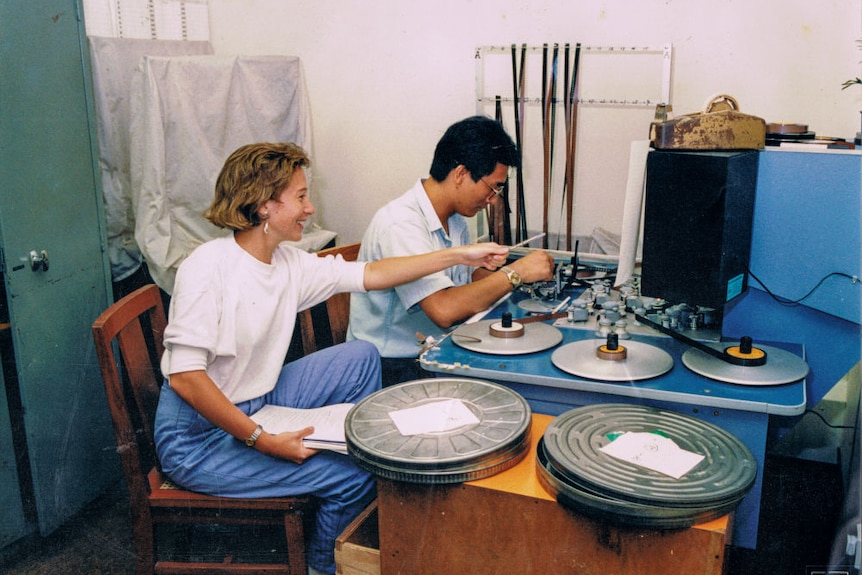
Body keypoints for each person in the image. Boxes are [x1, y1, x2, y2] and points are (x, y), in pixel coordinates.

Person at [153, 142, 509, 575]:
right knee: (354, 474)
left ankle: (344, 459)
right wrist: (263, 440)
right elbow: (187, 378)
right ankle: (325, 566)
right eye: (301, 196)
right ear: (265, 205)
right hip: (198, 439)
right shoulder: (207, 267)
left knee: (360, 356)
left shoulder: (285, 261)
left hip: (254, 398)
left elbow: (371, 273)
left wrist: (459, 254)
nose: (310, 207)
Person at [347, 116, 556, 386]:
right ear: (460, 174)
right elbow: (444, 310)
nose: (493, 201)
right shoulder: (401, 224)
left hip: (434, 349)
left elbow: (466, 283)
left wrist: (508, 272)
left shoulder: (455, 219)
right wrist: (516, 274)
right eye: (492, 188)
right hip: (392, 366)